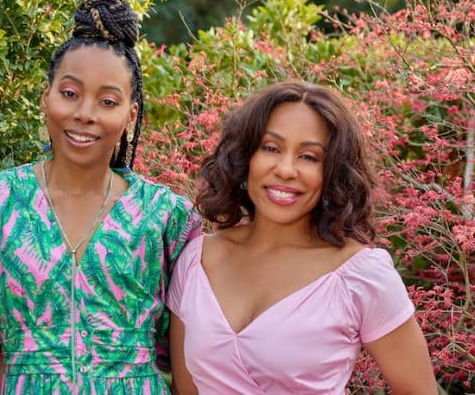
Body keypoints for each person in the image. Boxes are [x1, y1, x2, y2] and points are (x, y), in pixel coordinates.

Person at [0, 0, 202, 394]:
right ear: (46, 97)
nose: (85, 114)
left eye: (107, 101)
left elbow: (190, 345)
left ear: (130, 115)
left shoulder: (166, 216)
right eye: (70, 93)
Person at [168, 81, 437, 394]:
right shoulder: (197, 260)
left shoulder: (361, 275)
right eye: (271, 148)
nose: (285, 169)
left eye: (309, 156)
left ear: (333, 172)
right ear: (245, 158)